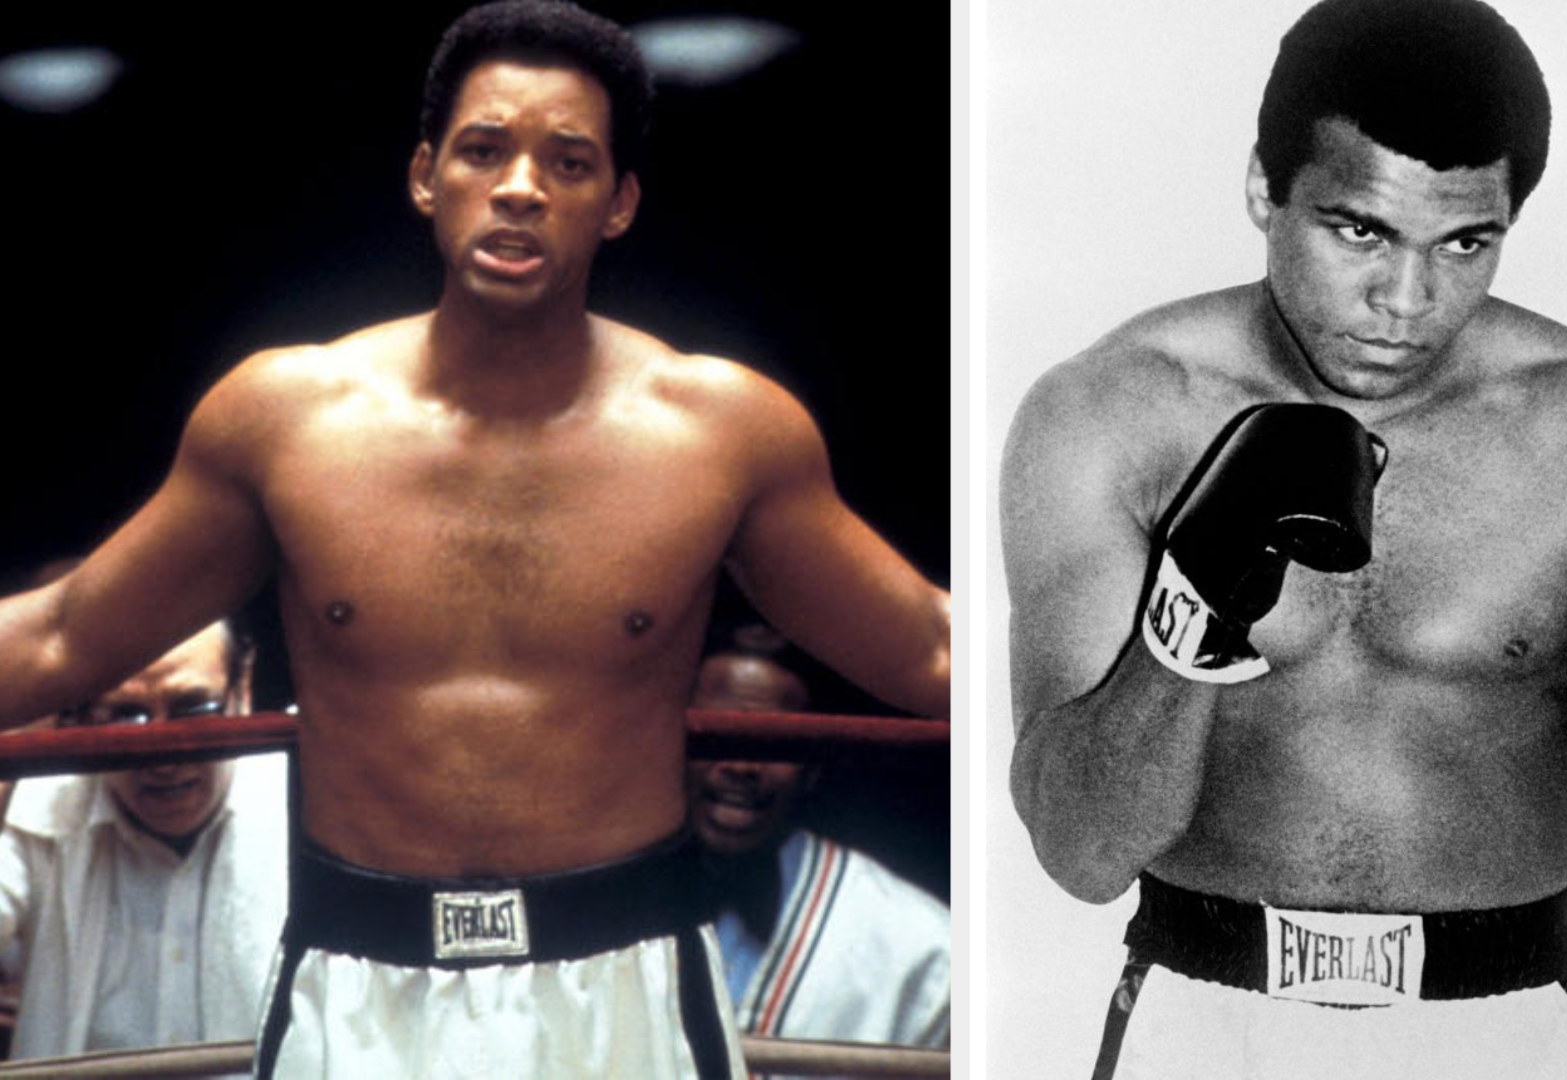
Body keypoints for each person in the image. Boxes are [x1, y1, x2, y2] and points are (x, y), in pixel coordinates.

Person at [0, 1, 949, 1077]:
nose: (519, 187)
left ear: (620, 202)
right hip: (357, 986)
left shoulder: (721, 434)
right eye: (484, 150)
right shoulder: (284, 421)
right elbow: (61, 639)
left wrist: (1166, 687)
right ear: (425, 176)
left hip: (625, 977)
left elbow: (928, 650)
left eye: (570, 161)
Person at [998, 0, 1567, 1077]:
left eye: (1466, 243)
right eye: (1358, 231)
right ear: (1261, 190)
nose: (1406, 300)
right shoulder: (1112, 418)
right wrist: (1191, 616)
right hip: (1202, 1017)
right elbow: (1081, 852)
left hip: (1497, 1026)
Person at [0, 619, 286, 1065]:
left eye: (194, 710)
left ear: (243, 688)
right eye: (126, 716)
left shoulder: (312, 800)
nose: (163, 760)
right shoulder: (41, 800)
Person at [685, 638, 949, 1077]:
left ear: (812, 769)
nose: (742, 765)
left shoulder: (919, 948)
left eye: (773, 744)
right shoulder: (599, 900)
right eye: (721, 735)